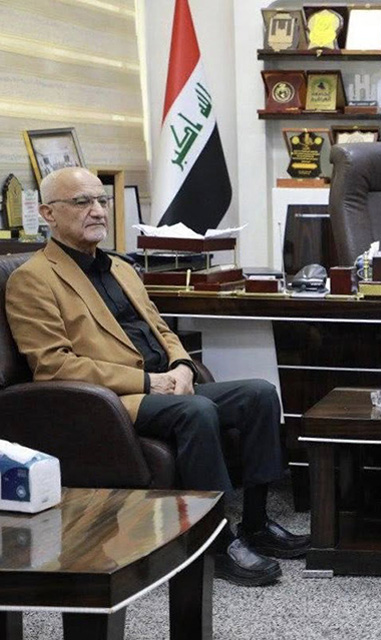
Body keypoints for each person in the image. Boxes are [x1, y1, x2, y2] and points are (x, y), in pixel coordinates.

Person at [5, 167, 308, 587]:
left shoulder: (122, 268)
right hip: (113, 400)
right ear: (48, 214)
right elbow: (54, 366)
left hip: (166, 384)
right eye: (82, 202)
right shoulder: (32, 279)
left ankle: (256, 523)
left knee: (259, 394)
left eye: (101, 200)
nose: (98, 211)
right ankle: (216, 542)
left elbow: (162, 330)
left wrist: (182, 366)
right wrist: (151, 383)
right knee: (196, 410)